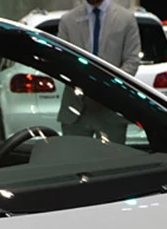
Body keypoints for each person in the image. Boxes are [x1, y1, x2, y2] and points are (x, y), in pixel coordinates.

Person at [56, 0, 141, 145]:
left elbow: (131, 61)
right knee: (73, 157)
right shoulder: (68, 20)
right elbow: (62, 60)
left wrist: (103, 92)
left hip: (112, 107)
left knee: (111, 158)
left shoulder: (126, 19)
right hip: (76, 107)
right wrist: (86, 90)